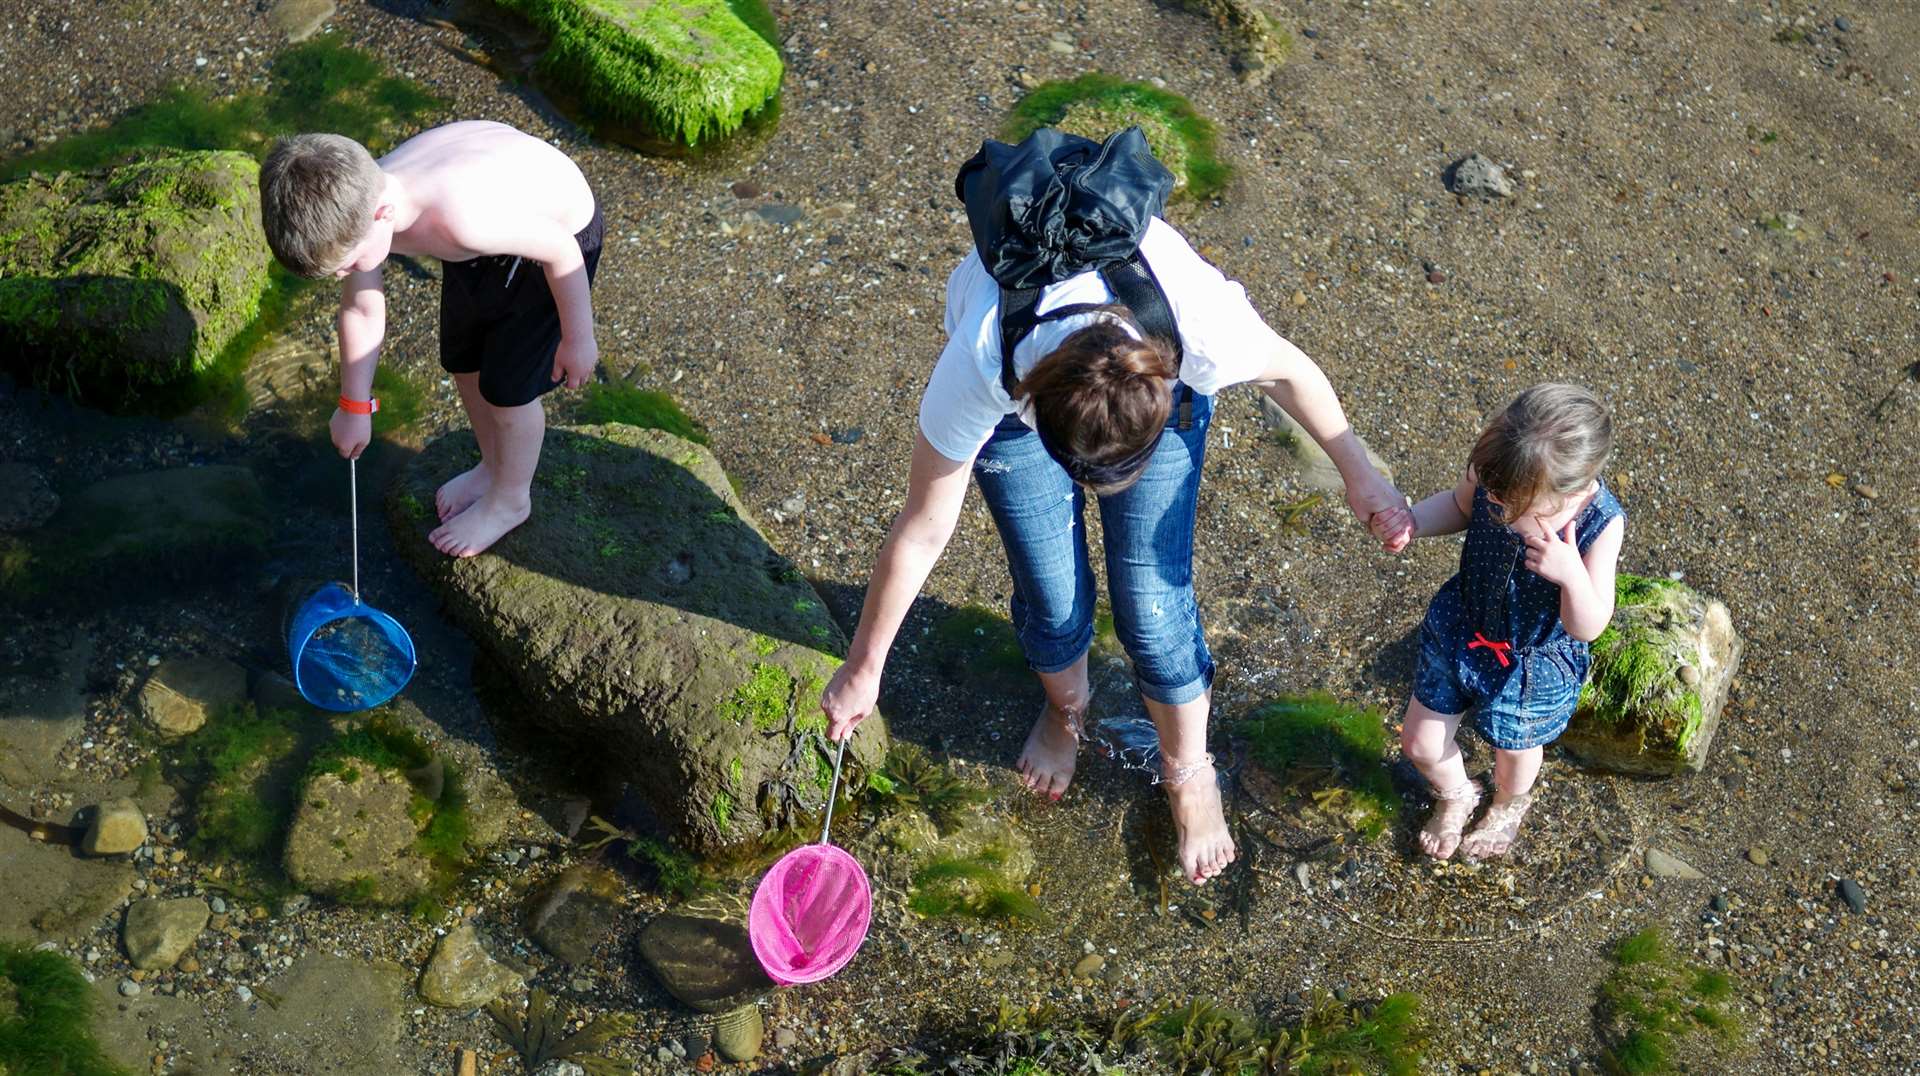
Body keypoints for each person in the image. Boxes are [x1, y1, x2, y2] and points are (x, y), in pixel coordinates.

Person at [818, 203, 1407, 886]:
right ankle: (1066, 713)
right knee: (1052, 595)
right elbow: (923, 526)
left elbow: (1289, 372)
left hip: (1155, 365)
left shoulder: (1199, 325)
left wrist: (1358, 474)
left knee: (1153, 608)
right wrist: (865, 667)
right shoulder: (984, 360)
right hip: (1021, 403)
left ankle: (1189, 771)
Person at [259, 120, 603, 558]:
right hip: (485, 241)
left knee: (508, 392)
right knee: (464, 362)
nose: (347, 275)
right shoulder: (362, 197)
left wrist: (578, 338)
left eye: (347, 265)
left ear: (382, 215)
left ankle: (510, 500)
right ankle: (491, 466)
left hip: (551, 240)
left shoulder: (459, 219)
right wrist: (353, 404)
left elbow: (561, 251)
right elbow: (362, 308)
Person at [1372, 382, 1626, 861]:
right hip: (1461, 628)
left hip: (1531, 664)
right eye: (1496, 493)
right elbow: (1459, 505)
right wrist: (1414, 521)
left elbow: (1589, 625)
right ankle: (1457, 793)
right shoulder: (1499, 472)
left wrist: (1571, 577)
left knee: (1515, 754)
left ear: (1571, 487)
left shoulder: (1600, 523)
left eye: (1517, 504)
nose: (1501, 507)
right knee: (1420, 743)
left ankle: (1508, 805)